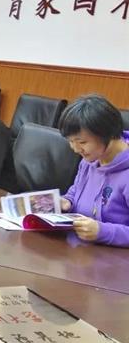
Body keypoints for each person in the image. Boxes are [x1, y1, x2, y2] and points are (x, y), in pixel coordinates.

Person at [58, 94, 129, 247]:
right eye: (71, 141)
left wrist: (103, 232)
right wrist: (67, 202)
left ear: (107, 134)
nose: (76, 149)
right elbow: (75, 192)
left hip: (114, 258)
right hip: (79, 250)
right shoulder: (90, 159)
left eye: (82, 142)